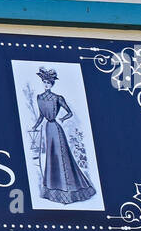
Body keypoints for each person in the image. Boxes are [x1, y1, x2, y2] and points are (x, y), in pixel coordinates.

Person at [28, 68, 97, 204]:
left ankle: (69, 190)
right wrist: (35, 126)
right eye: (44, 82)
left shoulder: (58, 98)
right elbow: (41, 116)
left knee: (61, 156)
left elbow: (69, 112)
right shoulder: (39, 97)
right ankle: (52, 189)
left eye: (48, 82)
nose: (46, 84)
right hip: (48, 128)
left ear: (52, 83)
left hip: (56, 128)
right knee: (51, 156)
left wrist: (63, 119)